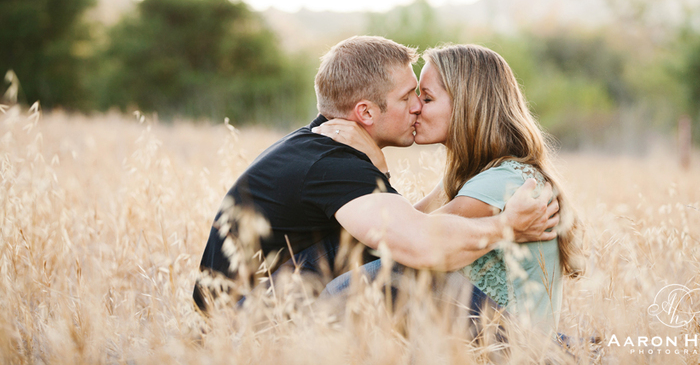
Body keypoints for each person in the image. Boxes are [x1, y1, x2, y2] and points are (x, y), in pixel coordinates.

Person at [193, 36, 559, 313]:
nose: (416, 107)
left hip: (258, 306)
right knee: (392, 272)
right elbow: (420, 242)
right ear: (366, 113)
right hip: (247, 321)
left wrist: (378, 166)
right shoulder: (333, 164)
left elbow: (404, 228)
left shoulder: (325, 148)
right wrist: (505, 227)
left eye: (424, 97)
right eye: (409, 97)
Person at [317, 44, 584, 334]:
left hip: (517, 349)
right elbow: (394, 230)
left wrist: (372, 160)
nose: (416, 107)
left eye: (427, 98)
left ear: (467, 105)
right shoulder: (474, 177)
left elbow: (406, 244)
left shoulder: (502, 182)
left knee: (364, 282)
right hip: (483, 337)